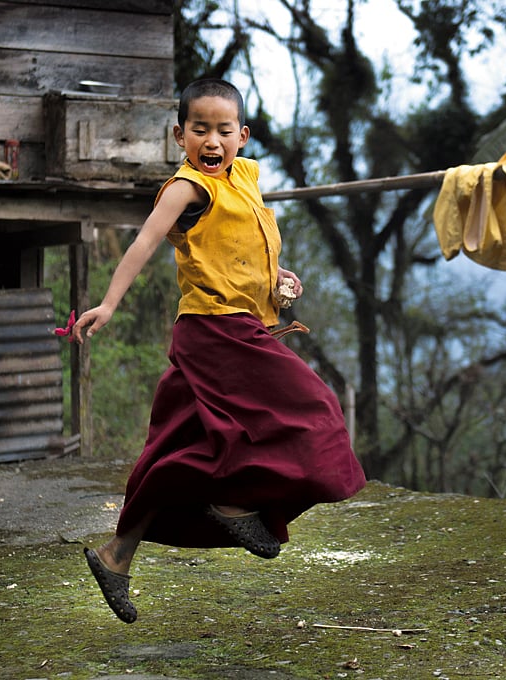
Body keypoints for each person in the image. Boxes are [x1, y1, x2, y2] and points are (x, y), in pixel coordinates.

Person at [72, 79, 366, 623]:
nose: (212, 140)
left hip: (233, 326)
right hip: (217, 333)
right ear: (179, 135)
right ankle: (233, 501)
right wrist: (109, 304)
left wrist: (277, 278)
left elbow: (239, 248)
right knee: (316, 411)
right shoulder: (186, 188)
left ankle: (117, 557)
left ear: (241, 136)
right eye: (199, 129)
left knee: (175, 453)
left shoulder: (246, 179)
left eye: (223, 130)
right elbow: (143, 243)